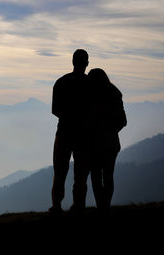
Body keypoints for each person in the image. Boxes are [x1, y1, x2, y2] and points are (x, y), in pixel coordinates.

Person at [49, 49, 93, 213]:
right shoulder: (91, 85)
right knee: (81, 174)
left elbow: (55, 110)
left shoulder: (61, 82)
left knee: (59, 173)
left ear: (73, 62)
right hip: (84, 135)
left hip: (64, 133)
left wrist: (69, 116)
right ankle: (78, 206)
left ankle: (56, 206)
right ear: (87, 63)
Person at [87, 68, 127, 212]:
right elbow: (123, 121)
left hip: (93, 144)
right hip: (111, 143)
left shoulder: (89, 95)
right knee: (108, 176)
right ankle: (106, 206)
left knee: (96, 176)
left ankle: (100, 206)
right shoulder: (115, 93)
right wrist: (111, 131)